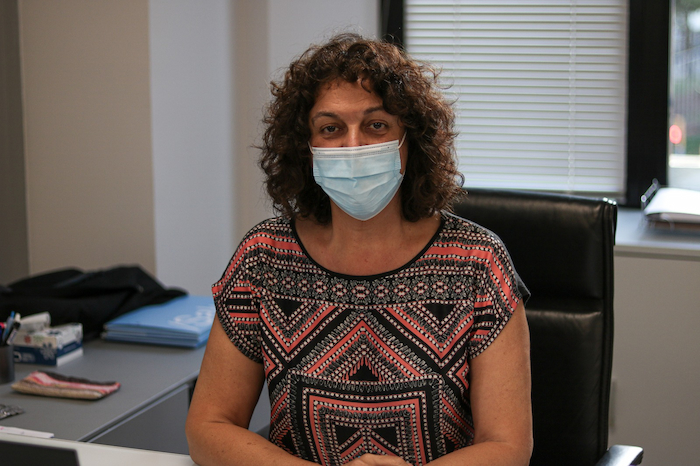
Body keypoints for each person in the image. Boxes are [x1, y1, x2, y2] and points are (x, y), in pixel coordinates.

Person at [186, 33, 532, 466]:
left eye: (376, 125)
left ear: (410, 141)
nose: (353, 146)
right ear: (306, 149)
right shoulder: (264, 258)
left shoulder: (478, 263)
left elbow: (508, 447)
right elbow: (208, 426)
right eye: (331, 129)